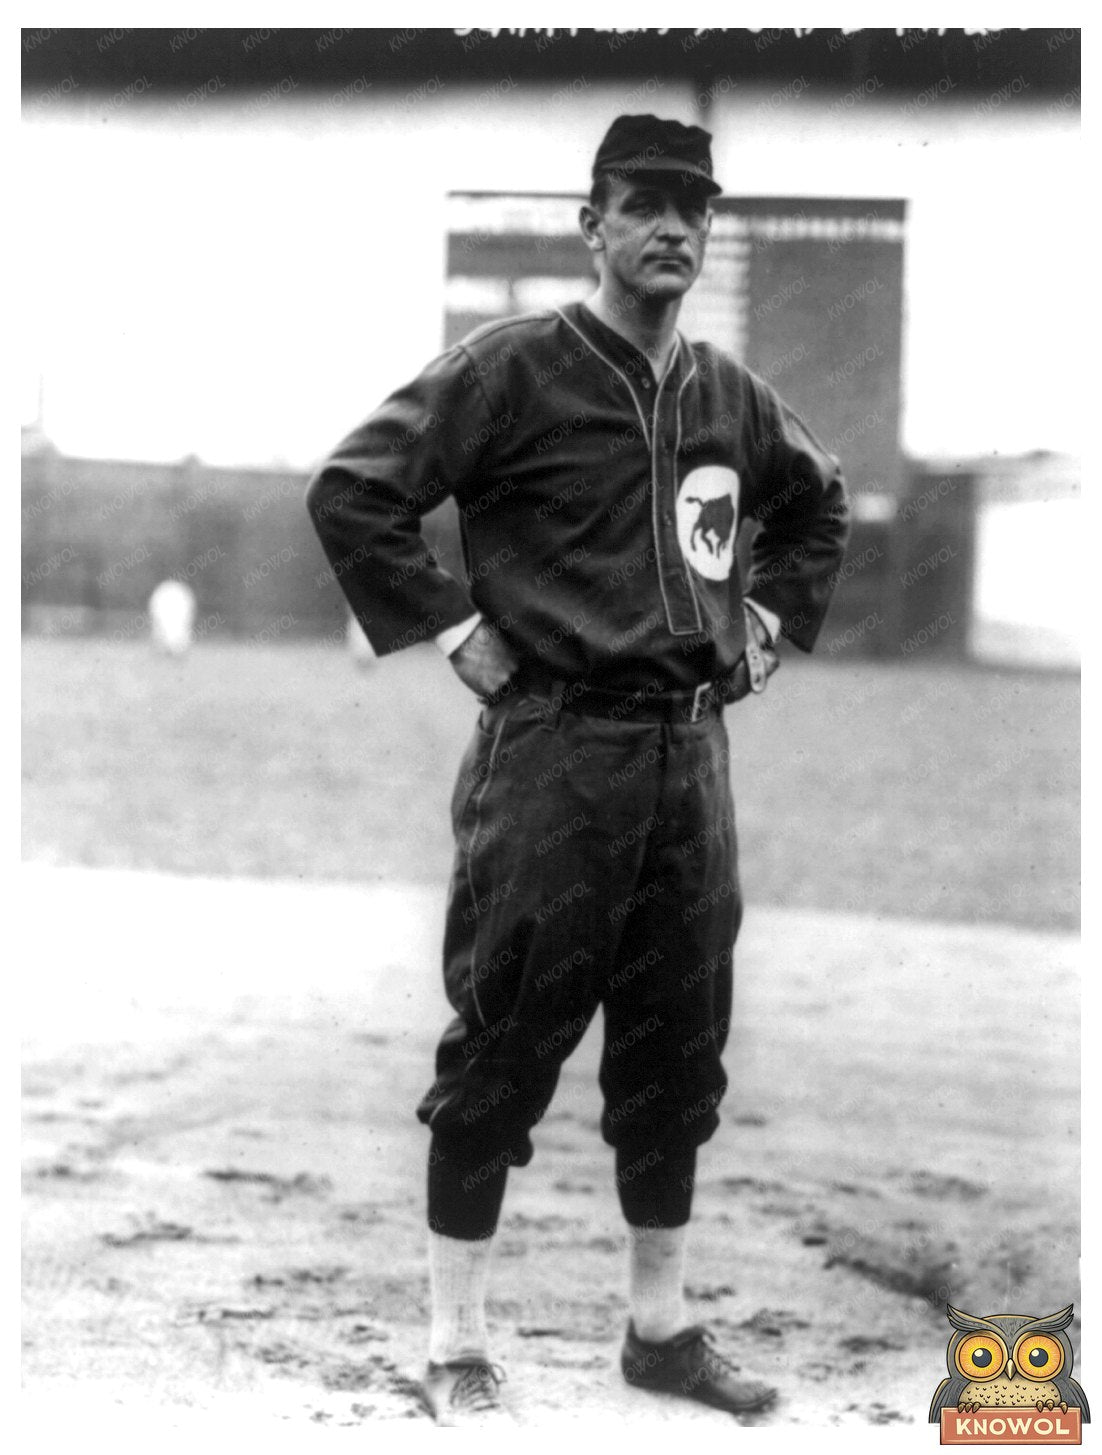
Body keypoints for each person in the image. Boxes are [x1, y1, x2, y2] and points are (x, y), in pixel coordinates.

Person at [306, 113, 849, 1425]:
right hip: (553, 748)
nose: (672, 226)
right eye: (644, 203)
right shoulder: (512, 369)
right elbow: (354, 487)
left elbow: (815, 495)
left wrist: (766, 617)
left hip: (687, 757)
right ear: (589, 224)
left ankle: (657, 1330)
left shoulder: (724, 391)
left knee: (678, 1052)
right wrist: (448, 626)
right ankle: (454, 1344)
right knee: (503, 1040)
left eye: (692, 208)